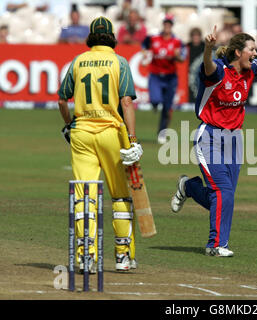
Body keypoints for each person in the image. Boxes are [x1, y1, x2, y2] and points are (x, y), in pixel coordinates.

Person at [170, 23, 257, 257]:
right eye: (251, 49)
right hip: (209, 137)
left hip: (234, 140)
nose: (255, 54)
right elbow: (207, 64)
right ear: (238, 52)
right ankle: (215, 245)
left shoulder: (250, 71)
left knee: (225, 195)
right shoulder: (219, 72)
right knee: (223, 192)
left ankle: (189, 187)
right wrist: (207, 48)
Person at [58, 16, 143, 272]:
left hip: (82, 133)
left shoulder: (78, 61)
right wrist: (133, 139)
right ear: (112, 37)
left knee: (85, 197)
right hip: (111, 133)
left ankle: (87, 258)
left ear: (91, 37)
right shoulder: (119, 62)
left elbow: (63, 100)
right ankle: (123, 257)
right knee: (120, 195)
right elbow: (126, 102)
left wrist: (69, 125)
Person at [141, 14, 186, 144]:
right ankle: (155, 105)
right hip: (155, 75)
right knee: (155, 100)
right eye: (165, 23)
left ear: (172, 25)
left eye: (169, 23)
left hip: (170, 77)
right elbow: (144, 45)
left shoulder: (177, 41)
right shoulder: (154, 38)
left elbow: (182, 57)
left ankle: (162, 132)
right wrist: (145, 54)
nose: (167, 25)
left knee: (167, 107)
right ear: (163, 24)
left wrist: (177, 56)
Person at [187, 27, 205, 104]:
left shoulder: (205, 47)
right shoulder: (187, 47)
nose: (196, 37)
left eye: (197, 35)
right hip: (190, 74)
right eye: (194, 35)